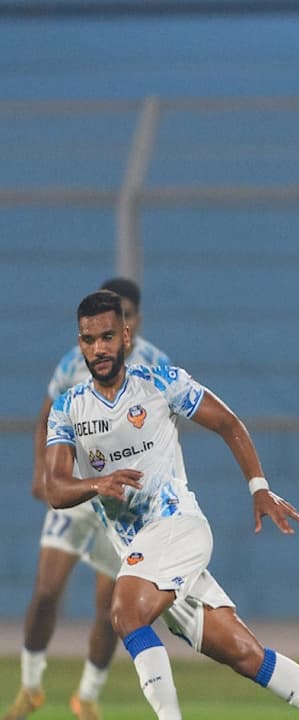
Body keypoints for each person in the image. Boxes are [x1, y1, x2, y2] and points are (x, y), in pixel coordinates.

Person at [42, 289, 299, 720]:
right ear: (80, 343)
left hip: (177, 526)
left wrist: (259, 487)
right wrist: (98, 483)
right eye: (90, 340)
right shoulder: (68, 408)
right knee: (245, 654)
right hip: (142, 554)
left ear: (125, 336)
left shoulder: (160, 383)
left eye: (108, 337)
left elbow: (227, 422)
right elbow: (56, 489)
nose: (99, 349)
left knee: (125, 611)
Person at [7, 277, 170, 720]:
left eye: (125, 319)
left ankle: (88, 697)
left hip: (120, 506)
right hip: (79, 495)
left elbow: (166, 431)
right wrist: (43, 472)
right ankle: (31, 687)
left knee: (109, 608)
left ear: (133, 324)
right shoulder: (74, 364)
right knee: (46, 592)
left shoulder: (155, 366)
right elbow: (45, 416)